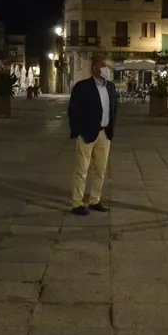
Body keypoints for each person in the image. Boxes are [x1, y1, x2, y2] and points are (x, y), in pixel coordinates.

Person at [67, 55, 117, 215]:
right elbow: (73, 111)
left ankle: (95, 200)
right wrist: (78, 130)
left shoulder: (110, 87)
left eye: (107, 66)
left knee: (100, 170)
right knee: (82, 169)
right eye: (103, 66)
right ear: (94, 68)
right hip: (87, 134)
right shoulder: (82, 87)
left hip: (105, 133)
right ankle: (77, 203)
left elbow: (113, 109)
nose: (106, 69)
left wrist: (110, 129)